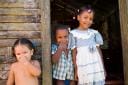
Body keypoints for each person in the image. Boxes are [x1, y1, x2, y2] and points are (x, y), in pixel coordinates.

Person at [70, 5, 106, 85]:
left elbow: (99, 52)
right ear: (78, 17)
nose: (88, 21)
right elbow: (74, 53)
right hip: (83, 67)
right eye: (85, 17)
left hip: (96, 66)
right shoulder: (73, 34)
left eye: (90, 19)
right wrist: (75, 70)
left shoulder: (94, 33)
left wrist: (102, 68)